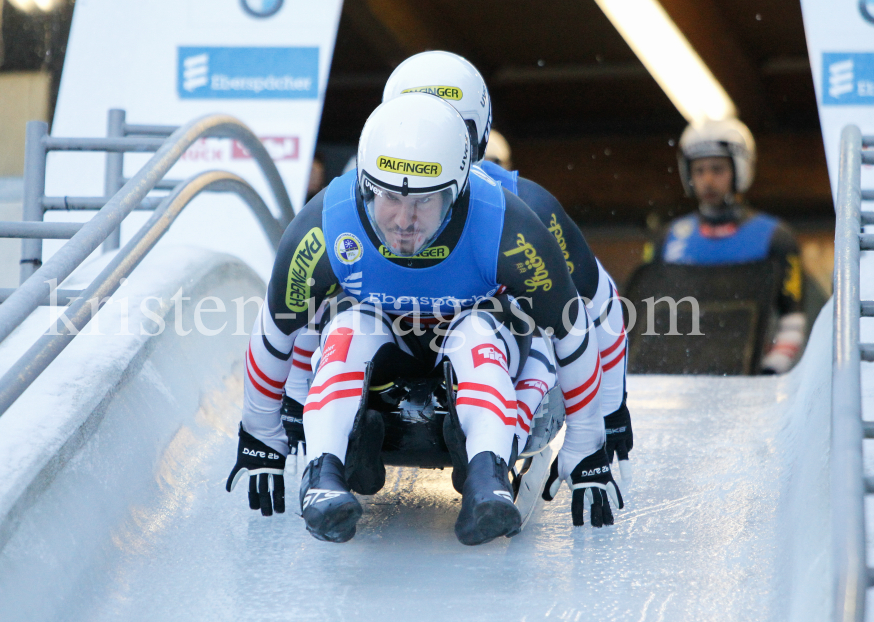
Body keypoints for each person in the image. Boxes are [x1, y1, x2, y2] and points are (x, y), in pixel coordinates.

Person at [226, 93, 622, 545]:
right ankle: (324, 473)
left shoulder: (508, 227)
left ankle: (485, 474)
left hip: (476, 334)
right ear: (364, 184)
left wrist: (586, 444)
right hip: (379, 338)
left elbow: (571, 331)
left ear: (458, 190)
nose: (404, 220)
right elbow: (277, 329)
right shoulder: (325, 225)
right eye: (389, 197)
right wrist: (262, 432)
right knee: (345, 332)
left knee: (479, 334)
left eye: (425, 201)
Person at [378, 50, 632, 474]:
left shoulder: (527, 206)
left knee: (547, 324)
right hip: (401, 351)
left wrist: (610, 411)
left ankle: (497, 441)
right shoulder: (362, 202)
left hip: (495, 351)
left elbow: (593, 302)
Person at [646, 118, 805, 374]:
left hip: (748, 381)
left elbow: (792, 320)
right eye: (699, 170)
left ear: (739, 169)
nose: (707, 180)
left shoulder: (776, 236)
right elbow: (646, 316)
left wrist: (769, 372)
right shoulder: (667, 238)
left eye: (717, 169)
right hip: (677, 379)